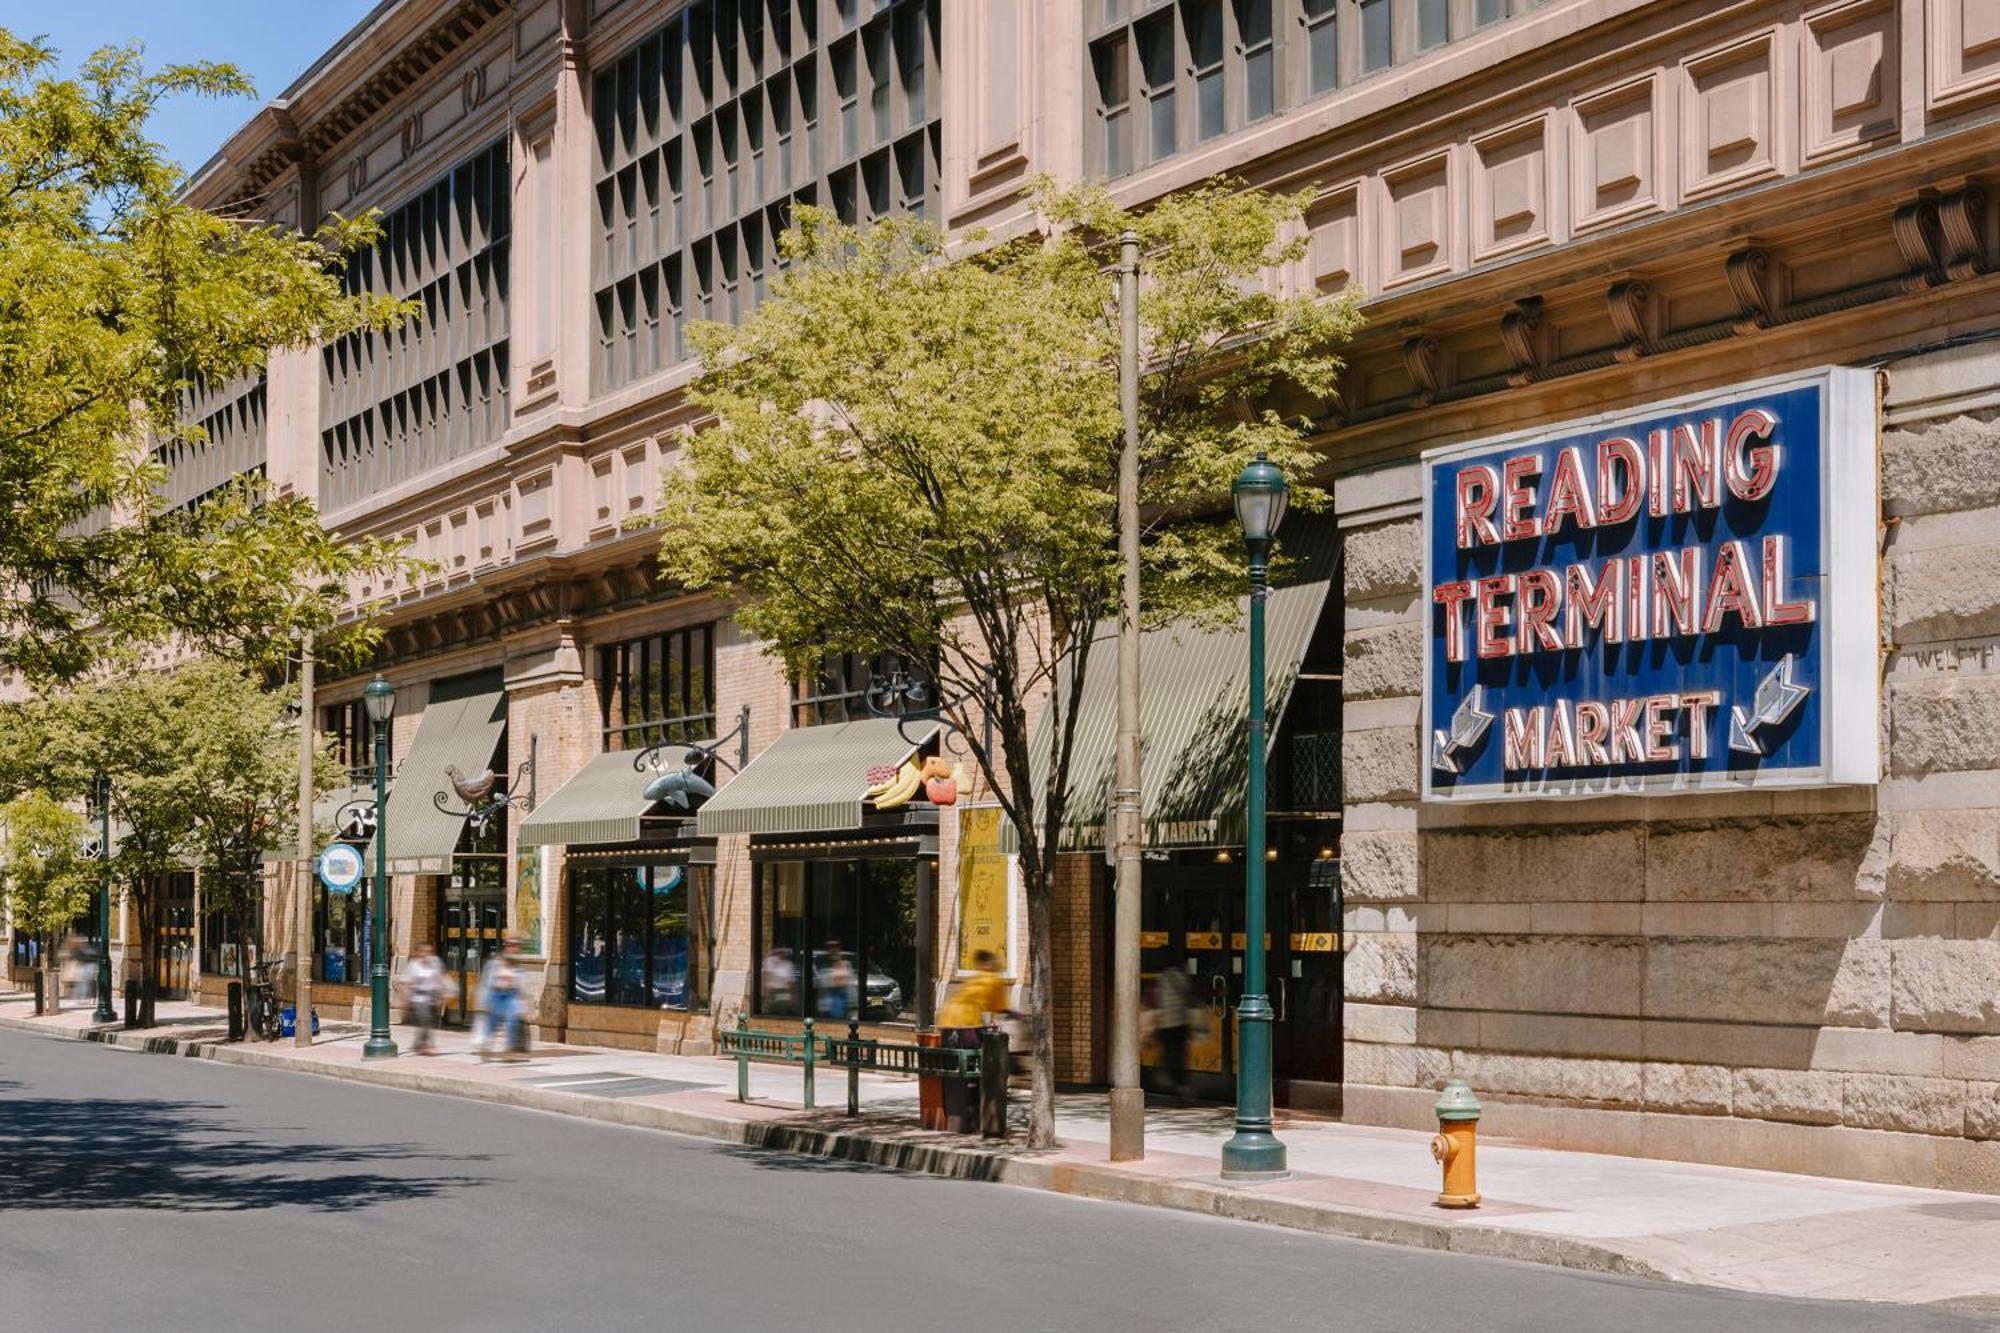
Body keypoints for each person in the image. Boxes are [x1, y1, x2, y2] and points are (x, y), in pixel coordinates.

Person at [1150, 962, 1194, 1103]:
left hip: (1167, 1024)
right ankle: (1182, 1086)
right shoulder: (1182, 976)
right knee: (1179, 1056)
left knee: (1169, 1057)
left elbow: (1156, 1000)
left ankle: (1179, 1086)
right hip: (1181, 1022)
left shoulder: (1162, 977)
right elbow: (1188, 994)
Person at [476, 939, 525, 1062]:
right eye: (511, 945)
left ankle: (508, 1051)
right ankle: (486, 1047)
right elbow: (486, 983)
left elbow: (521, 985)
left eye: (516, 945)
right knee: (492, 1025)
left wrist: (523, 1004)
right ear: (506, 946)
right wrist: (483, 1001)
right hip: (495, 995)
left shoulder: (518, 966)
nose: (514, 947)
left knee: (512, 1023)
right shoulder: (494, 964)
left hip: (511, 997)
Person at [403, 946, 455, 1055]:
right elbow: (408, 983)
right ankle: (429, 1044)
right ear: (418, 953)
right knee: (426, 1019)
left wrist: (449, 989)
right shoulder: (414, 965)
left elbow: (442, 976)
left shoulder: (435, 962)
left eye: (429, 952)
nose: (426, 954)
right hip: (418, 997)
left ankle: (418, 1044)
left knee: (430, 1021)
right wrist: (406, 999)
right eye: (424, 951)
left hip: (433, 997)